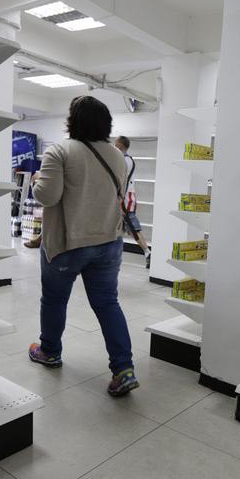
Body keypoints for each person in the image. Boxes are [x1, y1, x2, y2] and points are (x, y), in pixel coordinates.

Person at [28, 96, 139, 397]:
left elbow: (47, 197)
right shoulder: (118, 156)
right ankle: (123, 368)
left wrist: (36, 179)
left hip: (68, 244)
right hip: (109, 243)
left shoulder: (59, 150)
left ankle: (49, 351)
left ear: (72, 120)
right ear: (106, 124)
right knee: (107, 303)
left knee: (54, 300)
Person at [114, 135, 152, 269]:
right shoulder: (126, 160)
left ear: (120, 146)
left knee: (133, 228)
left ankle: (147, 252)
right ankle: (147, 252)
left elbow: (120, 181)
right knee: (127, 228)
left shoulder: (124, 160)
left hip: (125, 199)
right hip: (125, 198)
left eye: (115, 145)